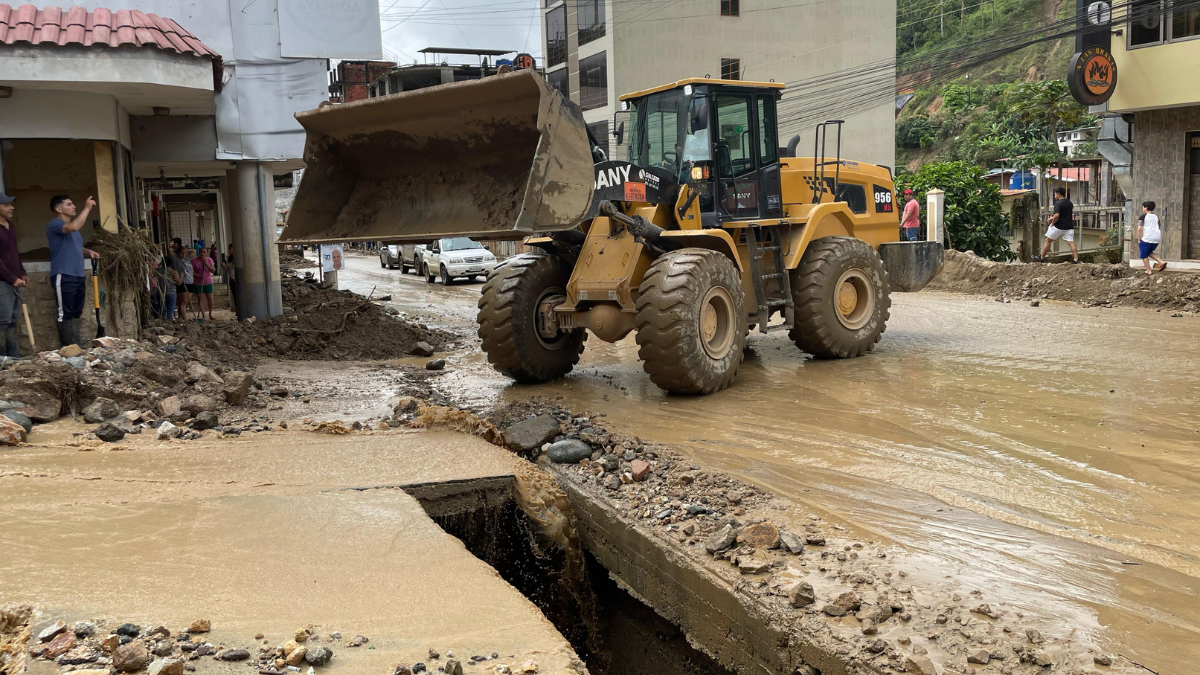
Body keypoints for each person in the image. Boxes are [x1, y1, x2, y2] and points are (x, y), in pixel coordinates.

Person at [46, 194, 99, 347]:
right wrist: (87, 208)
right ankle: (68, 346)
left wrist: (87, 251)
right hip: (64, 274)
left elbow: (74, 245)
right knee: (65, 312)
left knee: (76, 311)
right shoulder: (55, 224)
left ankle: (76, 345)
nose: (74, 206)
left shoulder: (73, 230)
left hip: (78, 275)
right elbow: (74, 226)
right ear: (58, 209)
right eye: (69, 204)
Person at [0, 192, 28, 358]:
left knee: (13, 319)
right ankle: (3, 359)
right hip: (2, 282)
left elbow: (14, 252)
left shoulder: (10, 225)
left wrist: (21, 272)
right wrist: (12, 278)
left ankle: (14, 358)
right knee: (3, 321)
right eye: (6, 205)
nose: (11, 208)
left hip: (15, 280)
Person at [1033, 187, 1079, 264]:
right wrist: (1053, 217)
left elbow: (1057, 215)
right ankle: (1076, 259)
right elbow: (1064, 214)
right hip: (1069, 226)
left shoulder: (1058, 204)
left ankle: (1041, 258)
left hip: (1059, 226)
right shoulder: (1070, 203)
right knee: (1071, 242)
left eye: (1055, 195)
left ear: (1058, 194)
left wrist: (1052, 223)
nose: (1054, 196)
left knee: (1048, 240)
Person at [1138, 201, 1166, 275]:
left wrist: (1139, 240)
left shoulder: (1143, 217)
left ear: (1146, 208)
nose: (1143, 209)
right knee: (1149, 252)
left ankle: (1149, 271)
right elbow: (1159, 226)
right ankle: (1161, 262)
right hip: (1157, 238)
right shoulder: (1156, 217)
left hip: (1147, 238)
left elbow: (1139, 229)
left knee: (1144, 255)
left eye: (1143, 207)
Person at [191, 246, 216, 321]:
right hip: (198, 282)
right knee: (200, 299)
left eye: (204, 252)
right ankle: (203, 314)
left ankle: (210, 313)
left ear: (206, 253)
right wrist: (197, 275)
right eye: (201, 252)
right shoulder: (194, 261)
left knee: (210, 299)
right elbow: (190, 272)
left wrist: (207, 264)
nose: (202, 253)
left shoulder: (209, 260)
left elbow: (213, 270)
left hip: (208, 282)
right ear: (199, 252)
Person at [170, 239, 192, 322]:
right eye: (181, 253)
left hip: (190, 281)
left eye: (185, 253)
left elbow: (193, 251)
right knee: (183, 302)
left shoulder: (187, 258)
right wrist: (176, 248)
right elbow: (169, 250)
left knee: (186, 302)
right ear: (177, 253)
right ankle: (185, 319)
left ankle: (181, 317)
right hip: (182, 282)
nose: (184, 254)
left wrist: (186, 250)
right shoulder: (176, 259)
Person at [224, 243, 237, 313]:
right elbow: (228, 269)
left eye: (230, 249)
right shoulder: (229, 258)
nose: (229, 251)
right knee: (234, 295)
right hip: (231, 279)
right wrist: (225, 266)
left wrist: (235, 276)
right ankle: (237, 311)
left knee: (238, 296)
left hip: (237, 279)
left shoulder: (238, 258)